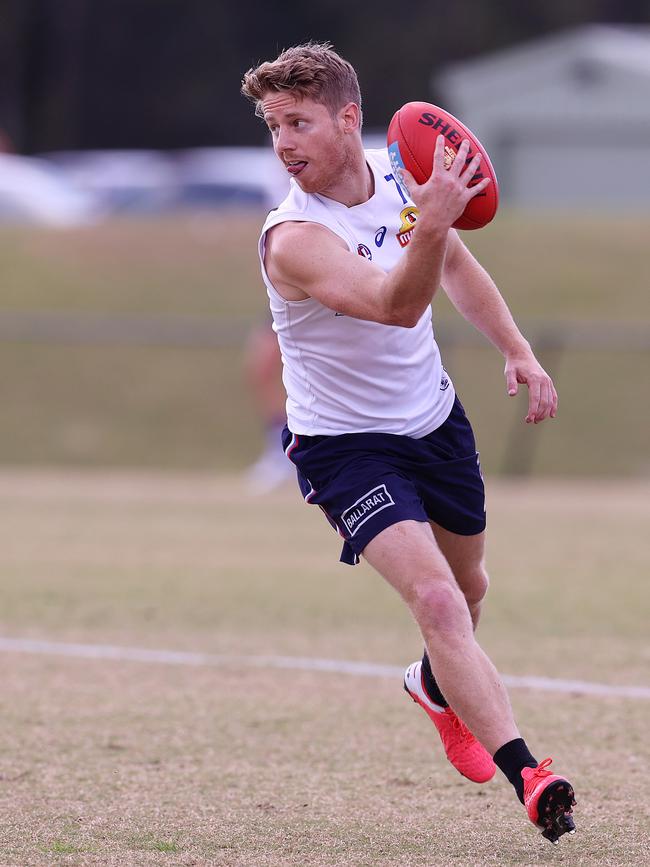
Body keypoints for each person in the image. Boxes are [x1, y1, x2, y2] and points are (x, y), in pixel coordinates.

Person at [241, 42, 576, 844]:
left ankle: (433, 684)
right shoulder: (293, 236)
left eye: (299, 121)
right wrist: (432, 219)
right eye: (273, 126)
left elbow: (456, 266)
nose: (284, 142)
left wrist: (517, 348)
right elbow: (394, 303)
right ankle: (530, 772)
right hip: (343, 446)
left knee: (468, 595)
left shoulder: (398, 179)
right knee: (433, 600)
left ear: (349, 119)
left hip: (432, 421)